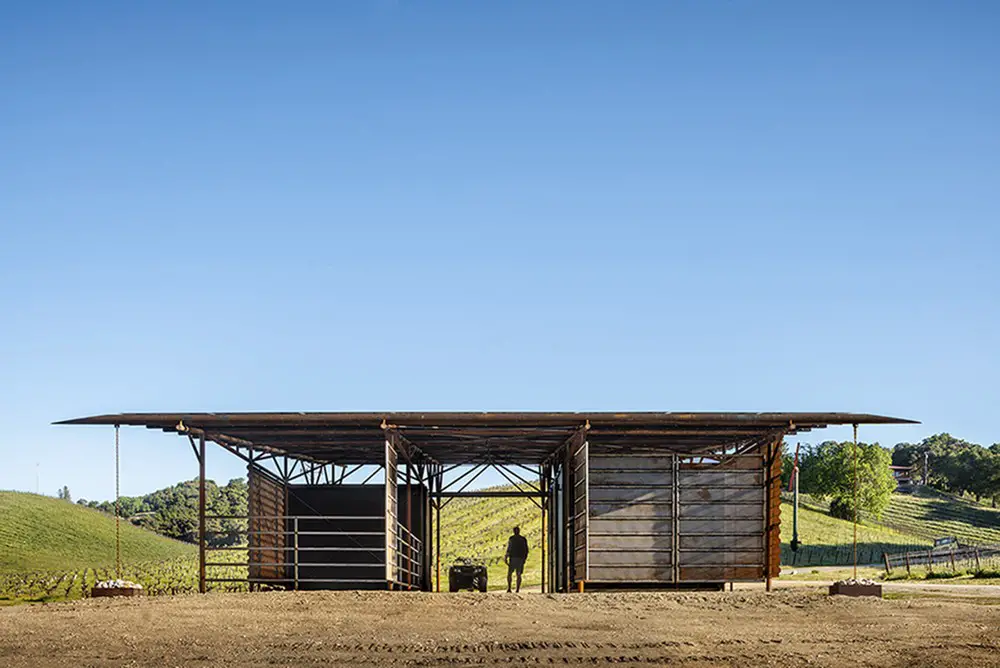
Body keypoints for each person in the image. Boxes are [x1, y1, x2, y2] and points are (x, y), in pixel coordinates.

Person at [504, 526, 529, 593]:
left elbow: (509, 548)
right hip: (519, 558)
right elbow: (526, 550)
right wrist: (524, 559)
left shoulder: (512, 539)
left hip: (513, 558)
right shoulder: (523, 539)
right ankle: (517, 589)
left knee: (510, 574)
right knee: (518, 574)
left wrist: (506, 556)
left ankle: (509, 588)